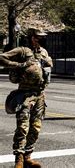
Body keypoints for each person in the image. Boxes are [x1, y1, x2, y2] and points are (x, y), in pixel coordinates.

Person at [0, 28, 53, 168]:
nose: (41, 39)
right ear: (31, 37)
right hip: (25, 95)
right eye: (38, 37)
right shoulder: (22, 51)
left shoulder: (43, 52)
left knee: (36, 127)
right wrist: (19, 65)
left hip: (40, 95)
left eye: (42, 37)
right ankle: (19, 158)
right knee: (22, 127)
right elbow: (1, 57)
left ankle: (28, 155)